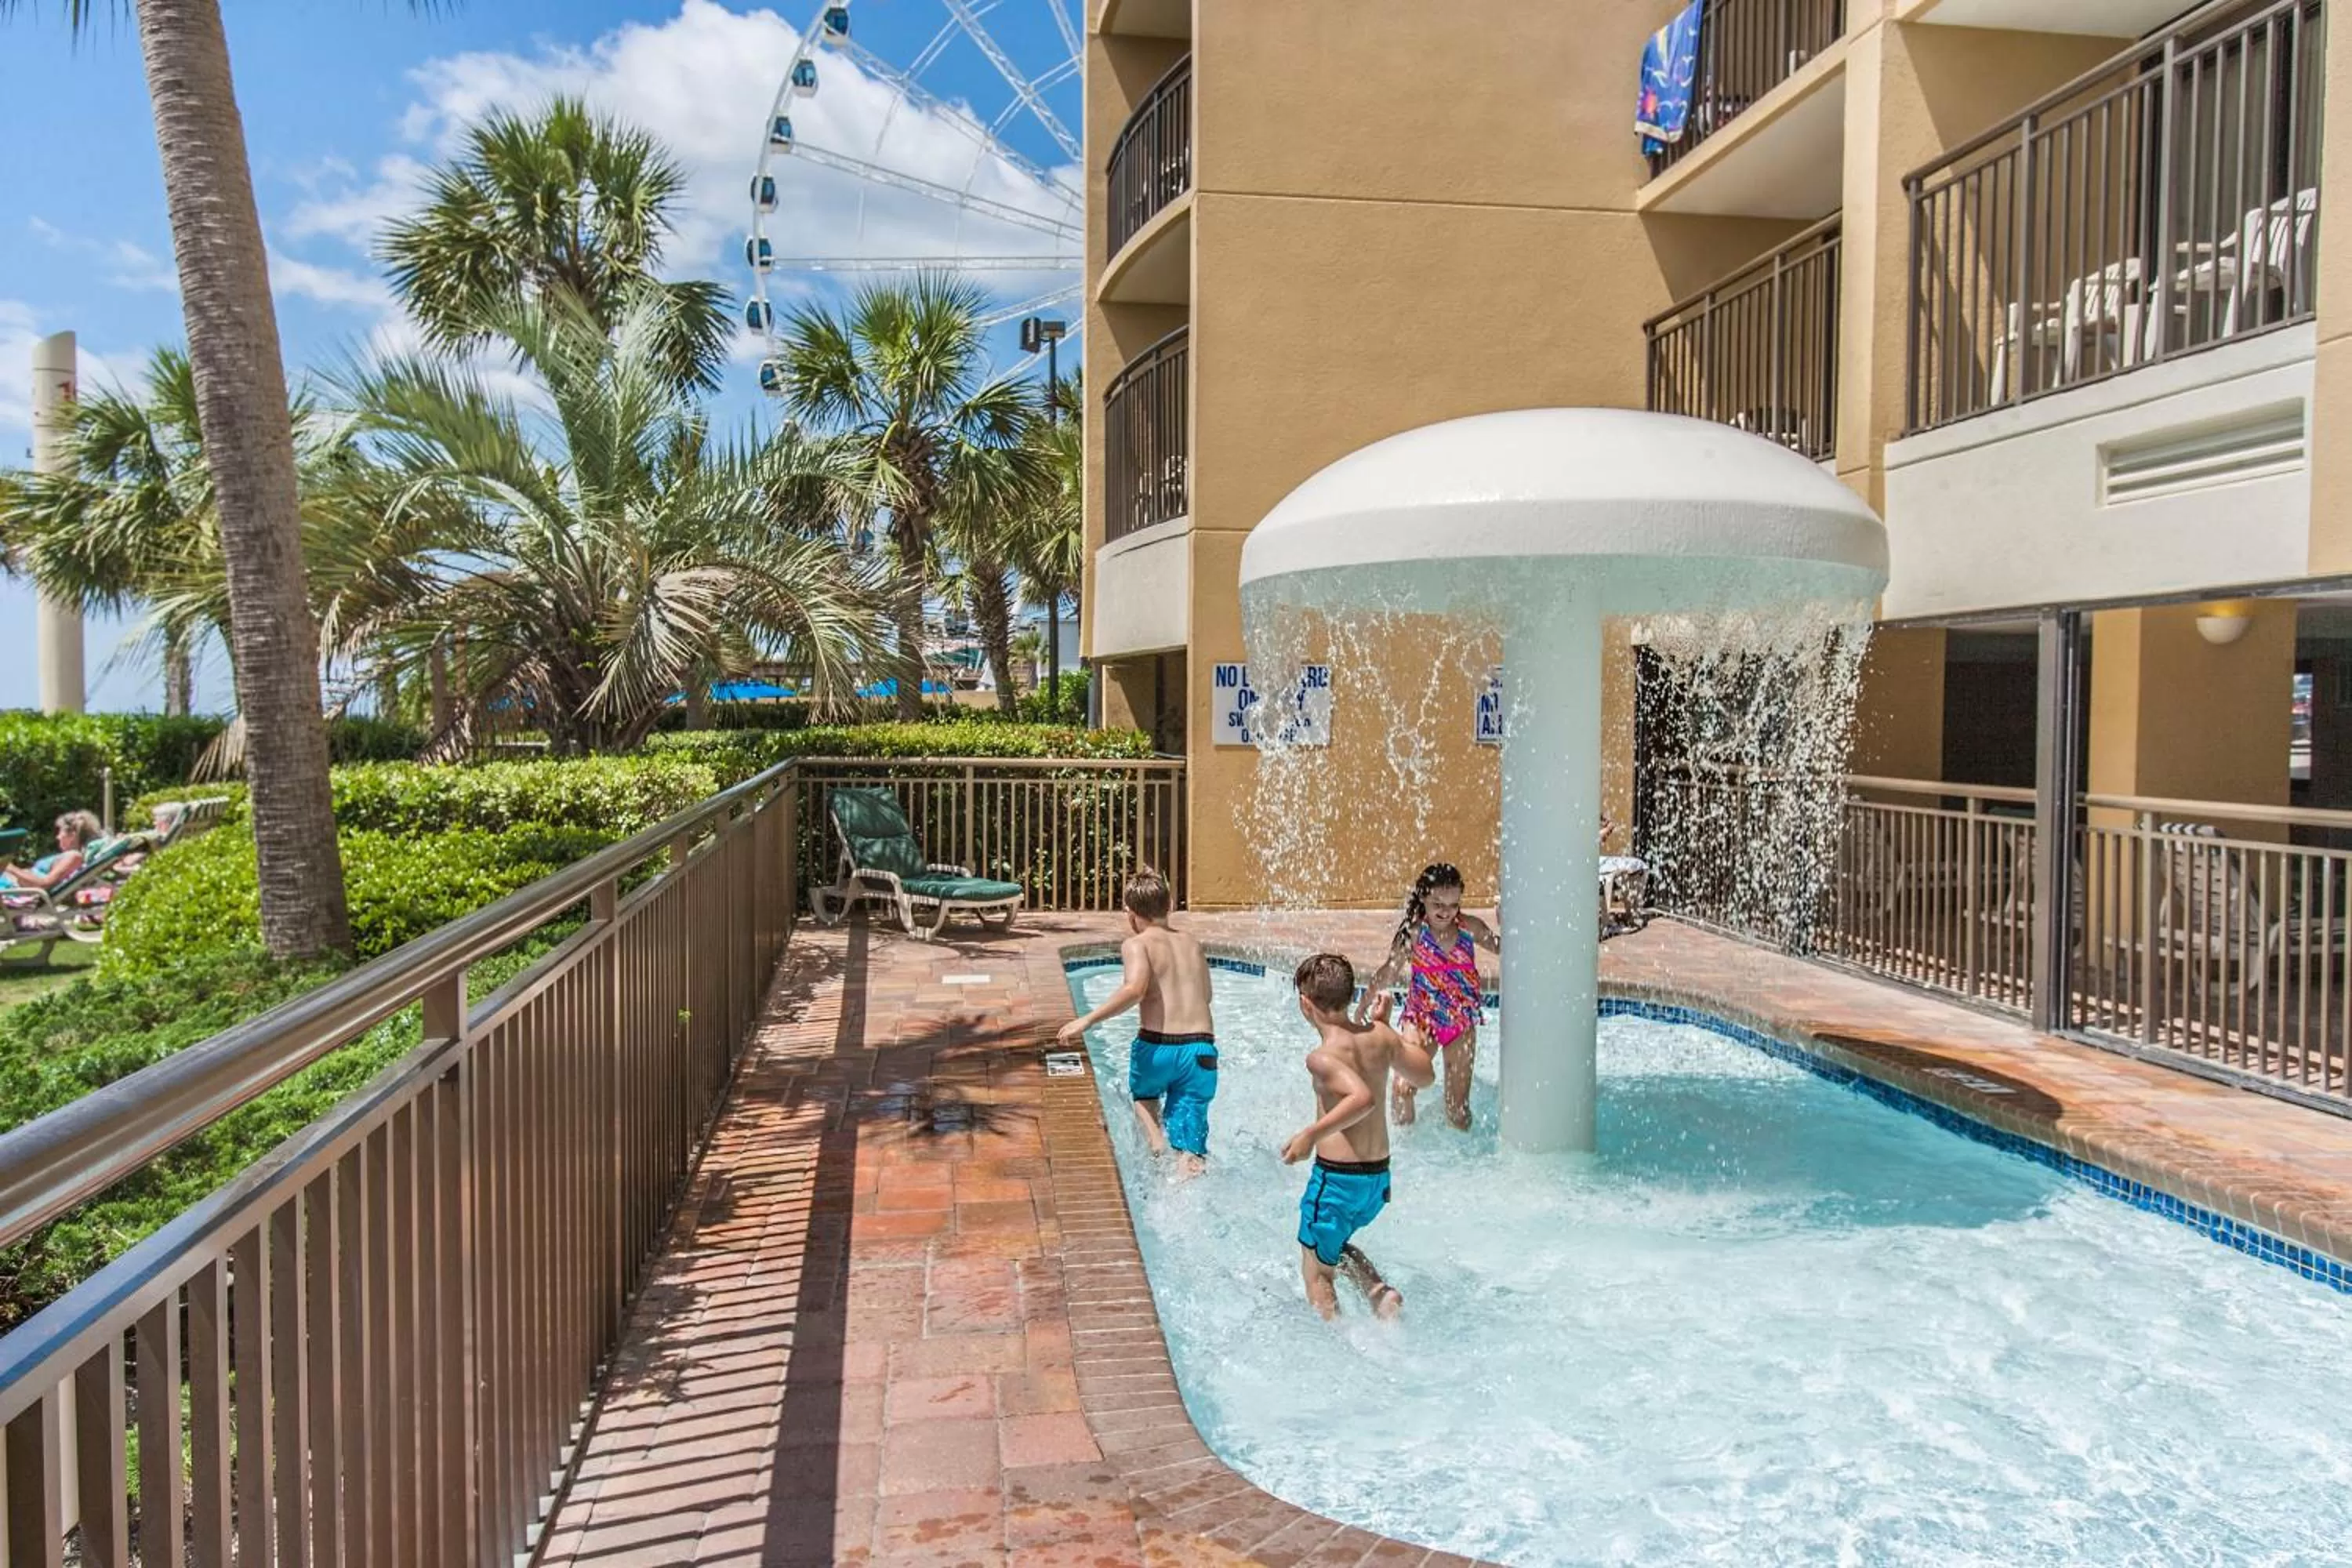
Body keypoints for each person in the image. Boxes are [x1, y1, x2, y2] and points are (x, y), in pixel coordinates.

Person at [1282, 953, 1435, 1320]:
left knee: (1316, 1269)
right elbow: (1425, 1076)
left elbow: (1362, 1099)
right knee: (1333, 1246)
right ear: (1352, 996)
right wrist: (1385, 1029)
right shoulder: (1379, 1036)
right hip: (1376, 1182)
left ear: (1305, 1003)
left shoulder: (1322, 1057)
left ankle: (1334, 1341)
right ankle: (1379, 1293)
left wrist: (1310, 1135)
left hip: (1337, 1180)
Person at [1057, 869, 1218, 1175]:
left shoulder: (1137, 944)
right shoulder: (1192, 943)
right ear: (1170, 905)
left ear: (1130, 913)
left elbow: (1135, 990)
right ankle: (1187, 1176)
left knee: (1145, 1100)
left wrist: (1087, 1020)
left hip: (1158, 1048)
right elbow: (1206, 996)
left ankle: (1157, 1150)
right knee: (1190, 1147)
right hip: (1201, 1051)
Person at [1364, 862, 1498, 1131]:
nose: (1445, 912)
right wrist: (1364, 1003)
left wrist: (1508, 920)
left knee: (1457, 1111)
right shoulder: (1414, 933)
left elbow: (1503, 947)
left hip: (1460, 1023)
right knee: (1403, 1088)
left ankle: (1461, 1154)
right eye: (1437, 904)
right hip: (1421, 1020)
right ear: (1423, 897)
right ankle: (1404, 1144)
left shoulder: (1469, 928)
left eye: (1453, 905)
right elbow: (1389, 971)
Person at [0, 811, 103, 893]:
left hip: (13, 889)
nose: (58, 837)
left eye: (60, 832)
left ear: (72, 835)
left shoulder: (74, 857)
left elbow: (44, 884)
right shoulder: (67, 856)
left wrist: (8, 866)